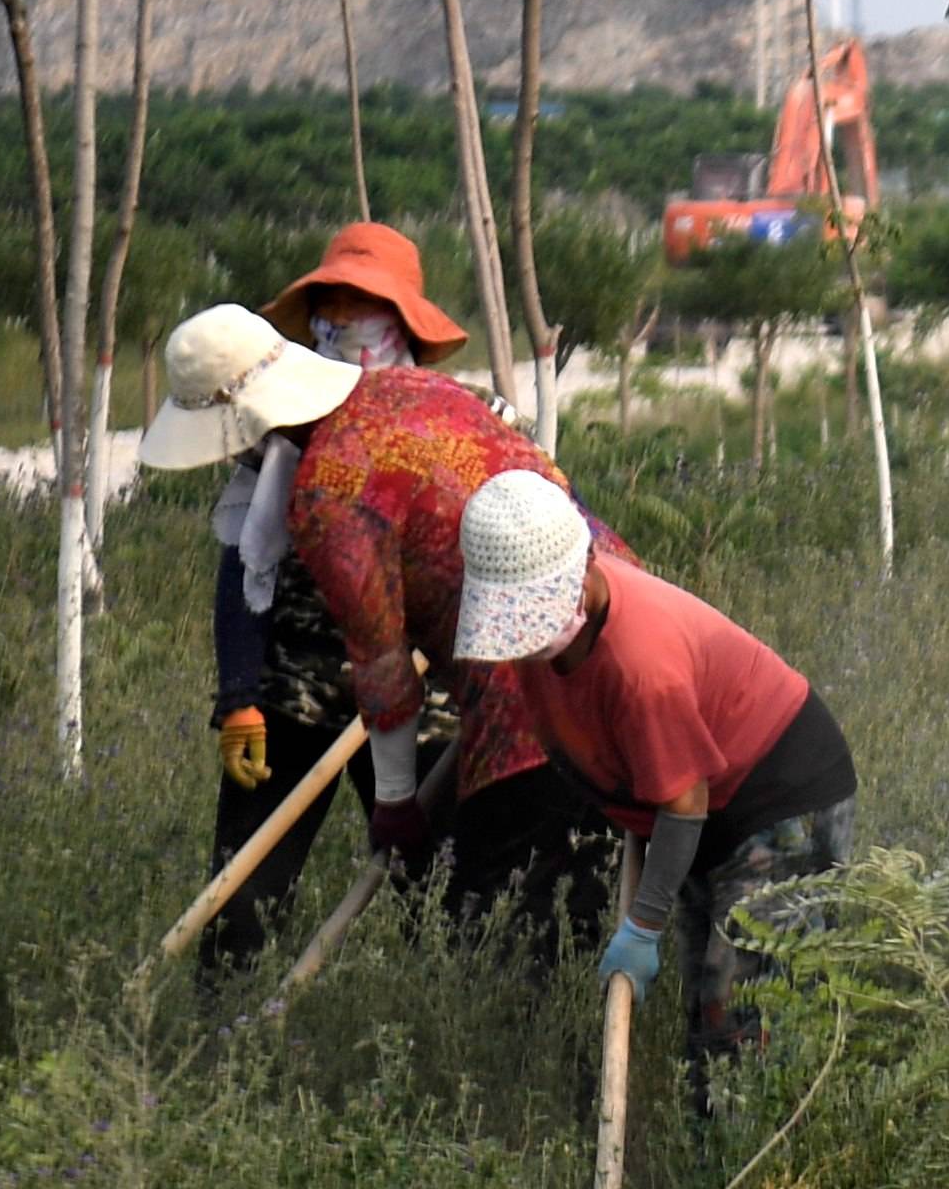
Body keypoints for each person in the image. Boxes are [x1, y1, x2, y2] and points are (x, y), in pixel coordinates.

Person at [452, 473, 856, 1101]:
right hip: (702, 804)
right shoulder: (541, 650)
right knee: (707, 1002)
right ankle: (711, 1159)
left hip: (778, 797)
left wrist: (643, 924)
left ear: (586, 570)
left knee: (744, 1006)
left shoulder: (642, 667)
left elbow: (683, 803)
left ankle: (763, 1178)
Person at [257, 241, 610, 949]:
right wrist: (239, 688)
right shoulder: (284, 438)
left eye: (366, 318)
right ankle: (220, 1009)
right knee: (256, 874)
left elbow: (549, 523)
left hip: (448, 686)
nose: (348, 335)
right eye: (332, 319)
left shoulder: (473, 409)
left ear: (403, 327)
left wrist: (394, 797)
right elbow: (242, 571)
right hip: (303, 683)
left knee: (456, 881)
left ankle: (466, 1005)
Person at [134, 305, 366, 983]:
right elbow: (243, 564)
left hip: (414, 697)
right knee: (241, 897)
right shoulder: (269, 457)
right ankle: (221, 1035)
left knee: (428, 875)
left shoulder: (376, 436)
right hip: (292, 693)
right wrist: (239, 697)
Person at [267, 217, 468, 374]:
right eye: (328, 304)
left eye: (359, 303)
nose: (339, 318)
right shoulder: (287, 407)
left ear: (400, 318)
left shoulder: (444, 406)